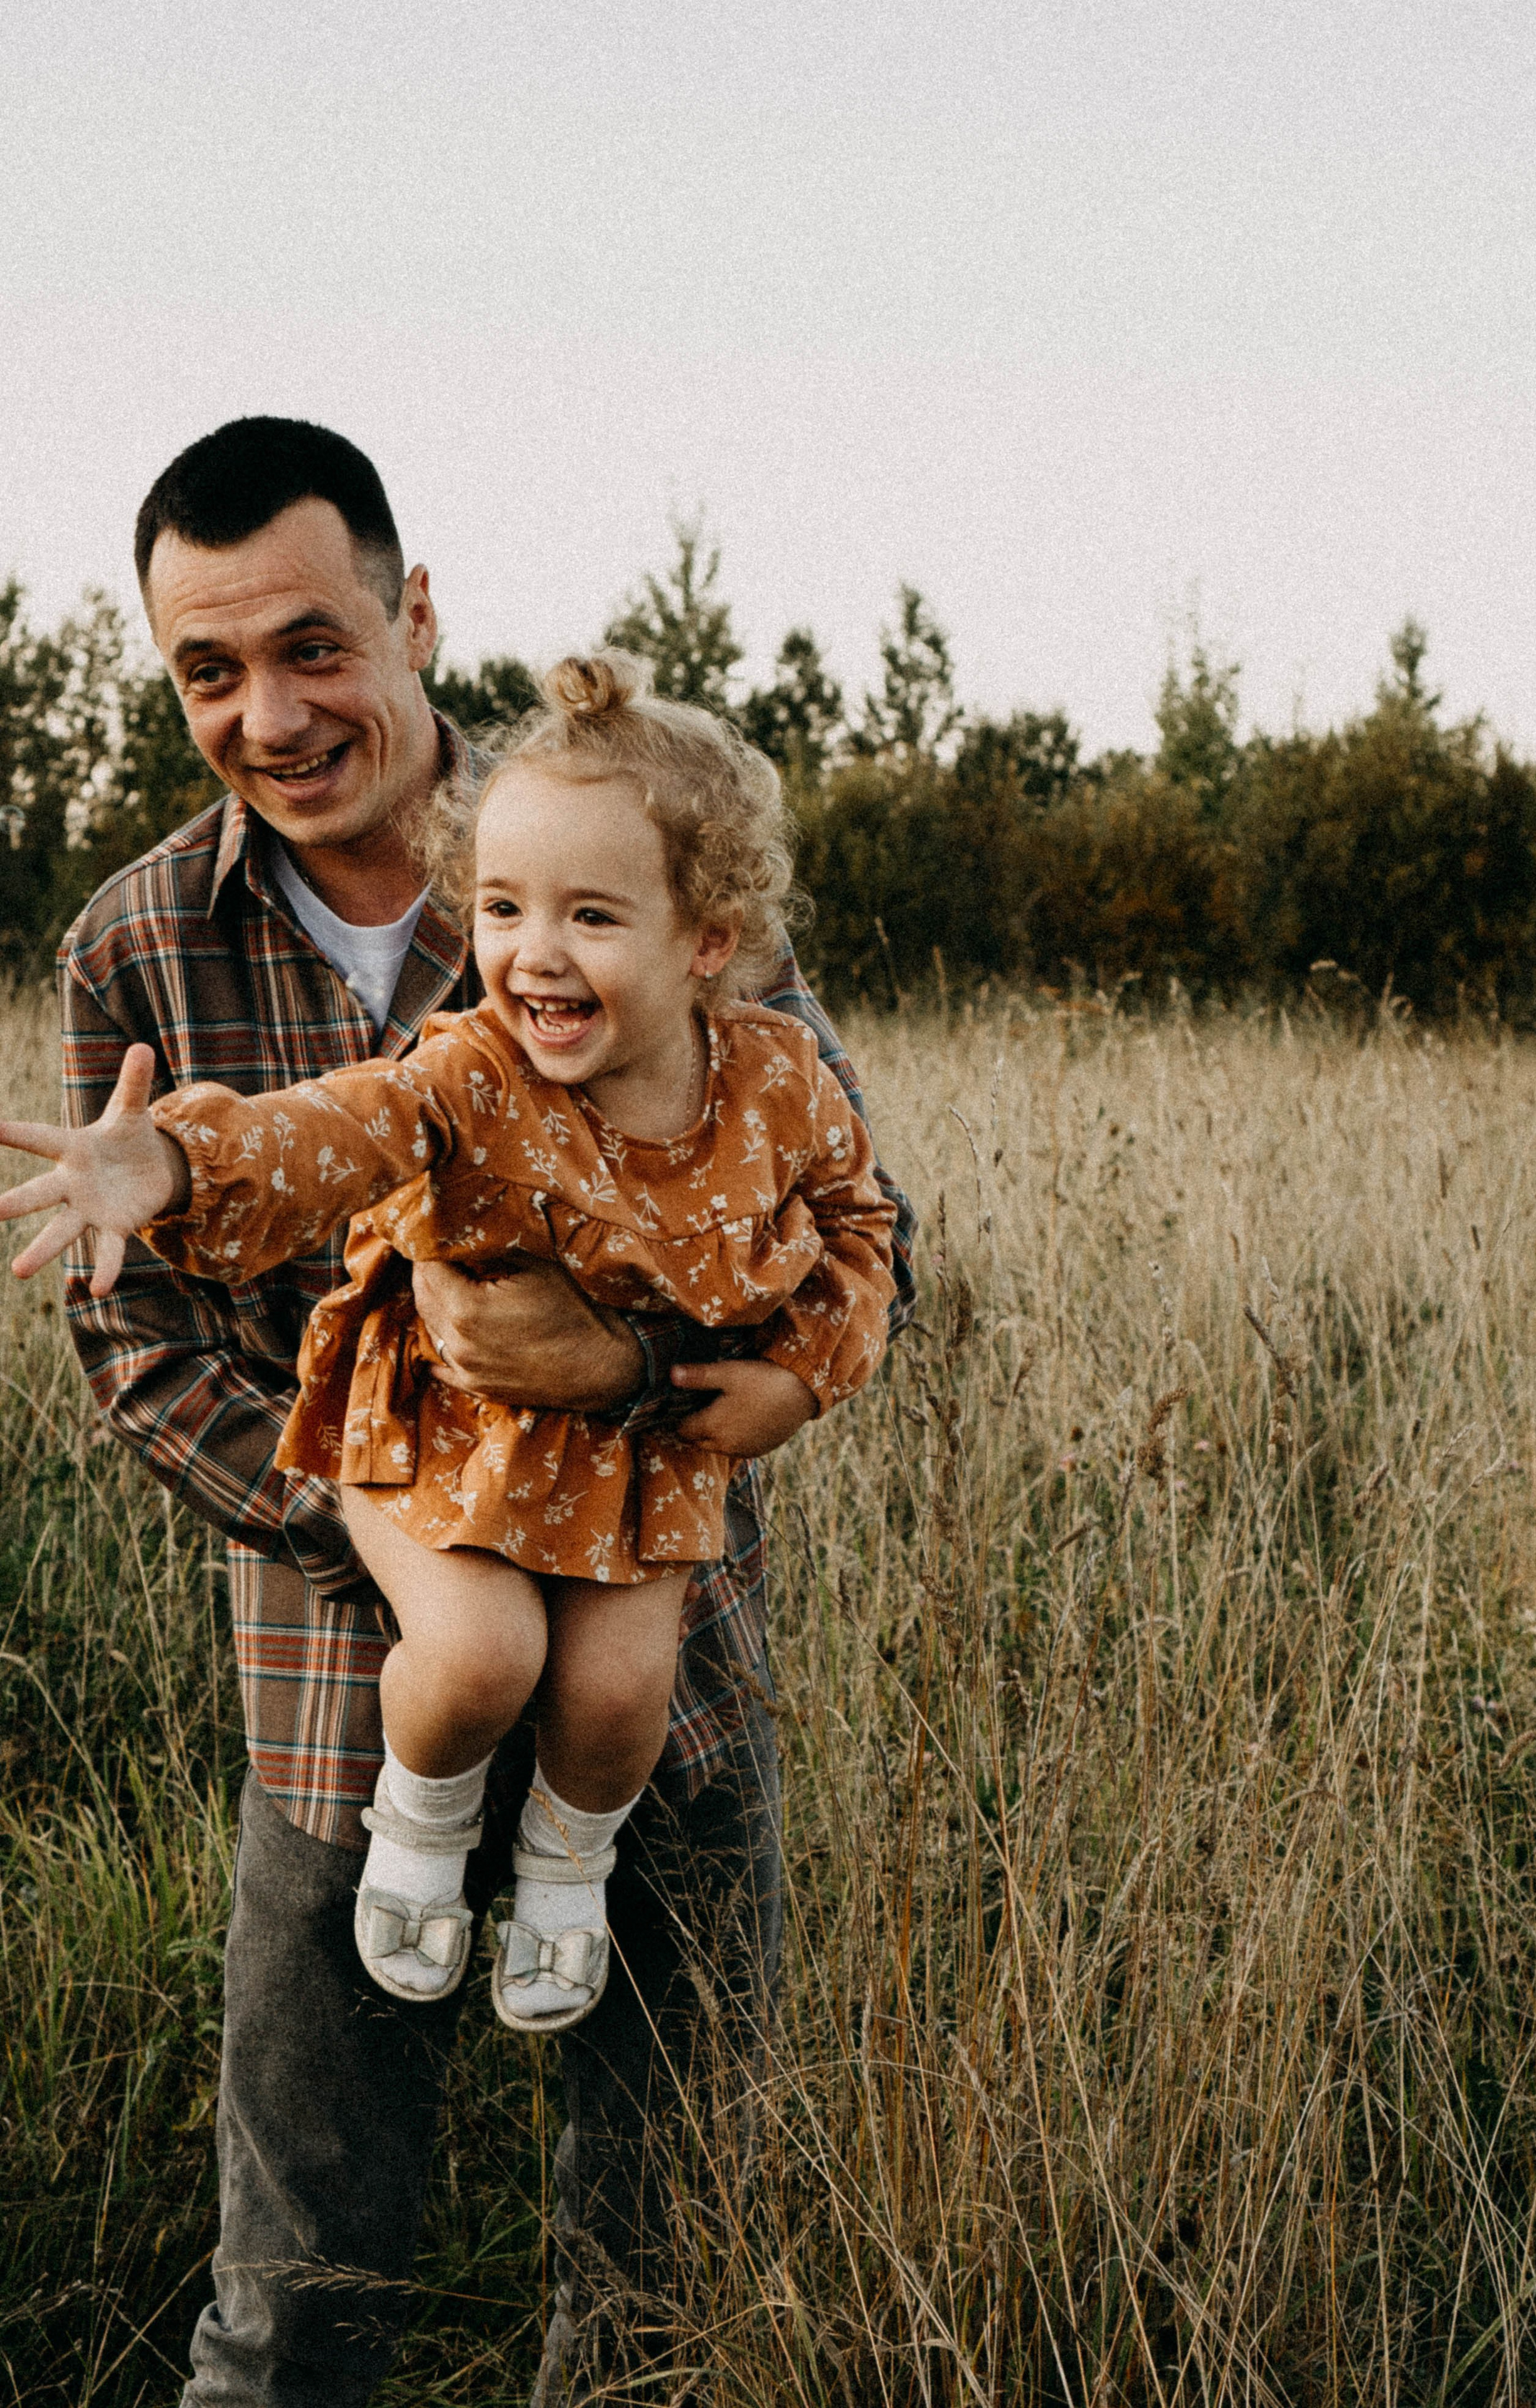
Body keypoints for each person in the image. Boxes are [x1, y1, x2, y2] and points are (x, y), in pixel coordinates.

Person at [48, 418, 915, 2404]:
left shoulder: (639, 841)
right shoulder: (136, 943)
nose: (268, 712)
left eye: (311, 645)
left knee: (660, 2283)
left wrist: (618, 1384)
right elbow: (145, 1347)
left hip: (659, 1687)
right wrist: (407, 1528)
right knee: (297, 2303)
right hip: (340, 1690)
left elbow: (862, 1233)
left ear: (411, 612)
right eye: (208, 671)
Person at [4, 647, 898, 2045]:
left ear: (706, 940)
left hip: (631, 1450)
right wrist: (172, 1168)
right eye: (497, 908)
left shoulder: (771, 1081)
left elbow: (860, 1225)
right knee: (478, 1658)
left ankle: (562, 1871)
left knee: (618, 1697)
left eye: (590, 915)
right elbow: (332, 1126)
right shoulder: (469, 1064)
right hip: (434, 1429)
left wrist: (801, 1373)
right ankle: (417, 1841)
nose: (531, 951)